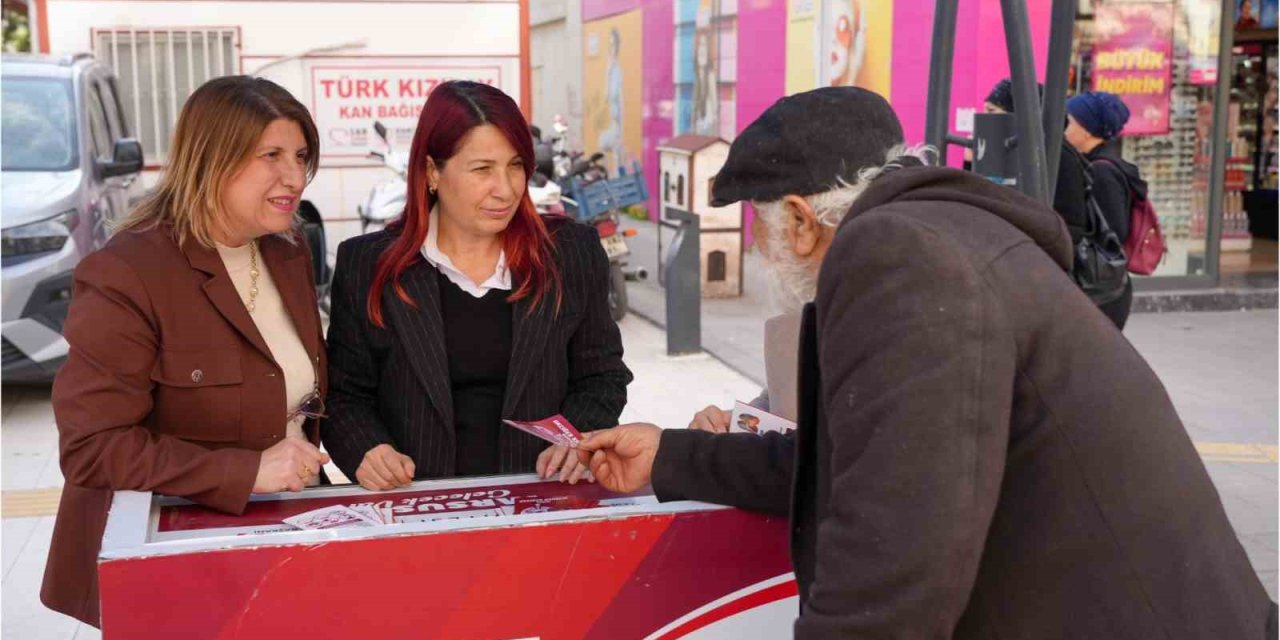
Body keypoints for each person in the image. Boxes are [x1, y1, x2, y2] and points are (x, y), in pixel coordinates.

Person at [576, 86, 1277, 638]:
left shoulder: (899, 261)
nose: (764, 252)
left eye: (763, 229)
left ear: (799, 219)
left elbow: (890, 575)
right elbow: (869, 462)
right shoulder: (937, 236)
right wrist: (671, 455)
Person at [42, 76, 330, 627]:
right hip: (172, 560)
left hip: (275, 541)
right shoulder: (128, 272)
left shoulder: (286, 250)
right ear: (211, 158)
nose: (293, 176)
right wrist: (244, 471)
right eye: (269, 155)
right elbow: (92, 447)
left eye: (299, 156)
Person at [322, 81, 632, 491]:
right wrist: (368, 450)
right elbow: (344, 395)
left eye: (516, 165)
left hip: (543, 498)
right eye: (482, 169)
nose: (505, 189)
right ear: (433, 172)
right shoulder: (368, 265)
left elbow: (603, 375)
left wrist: (578, 437)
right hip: (416, 506)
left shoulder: (570, 252)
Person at [1066, 90, 1147, 329]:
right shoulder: (1093, 164)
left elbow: (1112, 233)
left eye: (1068, 122)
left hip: (1102, 290)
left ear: (1088, 130)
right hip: (1102, 286)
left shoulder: (1102, 171)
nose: (1063, 128)